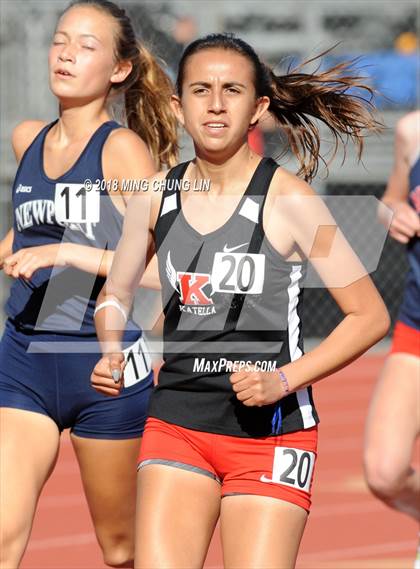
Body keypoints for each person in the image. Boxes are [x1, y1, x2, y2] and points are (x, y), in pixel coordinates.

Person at [91, 34, 390, 569]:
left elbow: (368, 316)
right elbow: (116, 292)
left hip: (271, 434)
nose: (216, 103)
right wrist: (111, 344)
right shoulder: (153, 196)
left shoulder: (294, 202)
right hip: (177, 422)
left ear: (258, 109)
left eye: (232, 90)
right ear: (180, 107)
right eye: (201, 90)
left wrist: (283, 379)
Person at [0, 1, 177, 568]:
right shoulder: (28, 138)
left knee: (121, 548)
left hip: (101, 367)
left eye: (86, 45)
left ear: (120, 70)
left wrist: (65, 253)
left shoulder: (121, 150)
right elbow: (26, 235)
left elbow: (163, 269)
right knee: (3, 530)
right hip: (23, 359)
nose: (66, 54)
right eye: (59, 41)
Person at [364, 110, 420, 566]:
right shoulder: (412, 130)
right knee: (384, 471)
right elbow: (388, 202)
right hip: (416, 328)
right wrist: (395, 212)